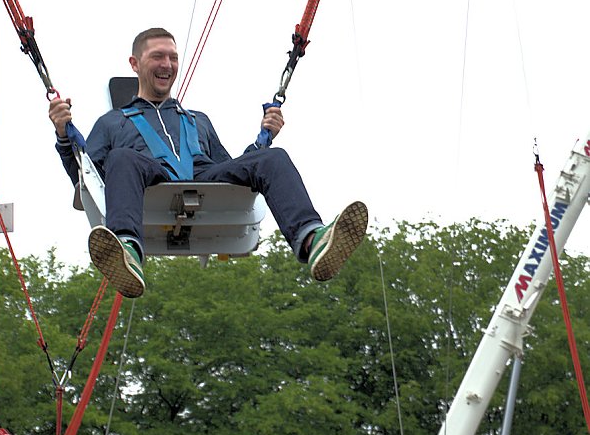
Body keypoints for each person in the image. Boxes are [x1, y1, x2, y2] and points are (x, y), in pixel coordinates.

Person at [50, 27, 367, 298]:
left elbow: (234, 173)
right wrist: (65, 135)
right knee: (121, 157)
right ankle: (128, 252)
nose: (168, 64)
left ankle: (312, 240)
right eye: (158, 57)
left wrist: (263, 140)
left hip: (203, 176)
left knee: (272, 158)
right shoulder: (112, 123)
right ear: (134, 63)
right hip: (150, 179)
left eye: (173, 57)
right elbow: (86, 177)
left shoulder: (197, 121)